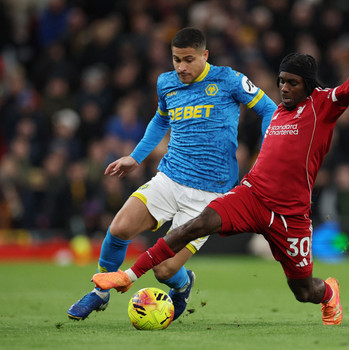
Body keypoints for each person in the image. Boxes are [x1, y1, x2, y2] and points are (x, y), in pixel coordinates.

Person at [92, 33, 349, 325]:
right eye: (281, 81)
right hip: (252, 196)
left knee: (303, 290)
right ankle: (127, 276)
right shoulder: (277, 114)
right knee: (195, 226)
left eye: (292, 83)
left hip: (290, 214)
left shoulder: (322, 105)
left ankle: (329, 292)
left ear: (308, 85)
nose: (284, 88)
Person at [68, 27, 276, 320]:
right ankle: (99, 293)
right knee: (119, 229)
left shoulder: (229, 79)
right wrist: (135, 157)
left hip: (209, 195)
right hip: (169, 177)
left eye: (188, 59)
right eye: (176, 59)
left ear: (205, 55)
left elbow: (269, 109)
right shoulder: (166, 83)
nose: (181, 67)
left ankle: (184, 282)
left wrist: (264, 155)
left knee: (164, 270)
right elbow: (160, 120)